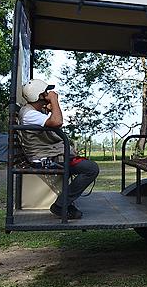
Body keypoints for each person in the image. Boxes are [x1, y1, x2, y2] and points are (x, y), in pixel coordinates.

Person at [18, 79, 99, 219]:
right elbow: (57, 122)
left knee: (84, 167)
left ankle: (66, 203)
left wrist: (49, 109)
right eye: (46, 92)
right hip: (45, 158)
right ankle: (61, 205)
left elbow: (51, 122)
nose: (49, 94)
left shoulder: (34, 112)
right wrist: (54, 101)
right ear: (39, 95)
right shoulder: (29, 114)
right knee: (91, 168)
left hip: (49, 154)